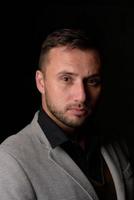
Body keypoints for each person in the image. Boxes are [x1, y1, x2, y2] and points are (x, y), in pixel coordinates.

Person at [0, 28, 133, 200]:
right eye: (66, 79)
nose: (82, 96)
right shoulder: (10, 160)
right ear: (41, 82)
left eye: (92, 81)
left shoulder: (114, 139)